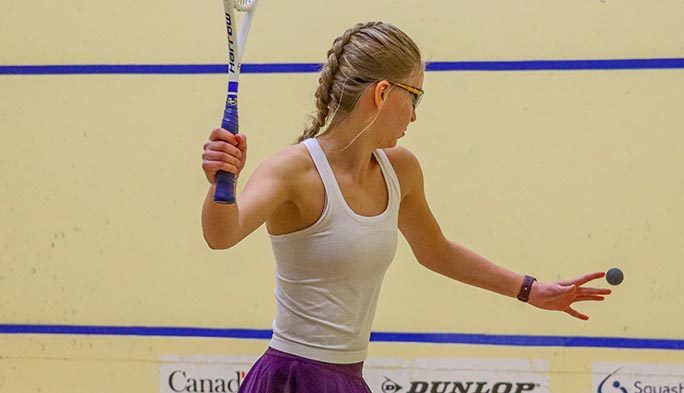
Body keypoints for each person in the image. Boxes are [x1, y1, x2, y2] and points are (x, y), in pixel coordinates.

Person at [201, 22, 611, 393]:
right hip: (289, 380)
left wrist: (530, 290)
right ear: (382, 93)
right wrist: (224, 181)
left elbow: (436, 251)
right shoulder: (293, 170)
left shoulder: (401, 170)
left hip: (346, 379)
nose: (414, 116)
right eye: (414, 97)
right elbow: (222, 235)